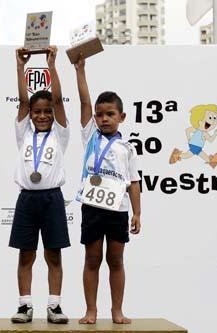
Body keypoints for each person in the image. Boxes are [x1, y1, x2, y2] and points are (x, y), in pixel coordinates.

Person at [74, 56, 141, 324]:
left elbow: (133, 182)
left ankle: (117, 310)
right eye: (100, 115)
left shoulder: (128, 149)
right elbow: (84, 102)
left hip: (117, 210)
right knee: (92, 258)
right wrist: (80, 70)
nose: (104, 119)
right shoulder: (91, 136)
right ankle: (91, 310)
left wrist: (137, 213)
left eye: (110, 114)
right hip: (92, 207)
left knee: (116, 260)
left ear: (121, 117)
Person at [9, 46, 70, 324]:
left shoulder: (60, 134)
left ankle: (54, 305)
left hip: (53, 199)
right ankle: (24, 305)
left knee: (53, 253)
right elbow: (22, 102)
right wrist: (20, 67)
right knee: (26, 253)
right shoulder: (24, 134)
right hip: (27, 199)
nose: (43, 115)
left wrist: (51, 64)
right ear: (31, 114)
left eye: (47, 111)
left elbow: (58, 101)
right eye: (37, 112)